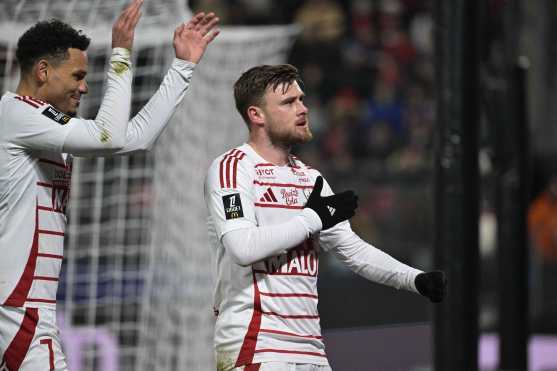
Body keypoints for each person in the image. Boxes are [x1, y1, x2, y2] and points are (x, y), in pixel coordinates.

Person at [0, 1, 219, 369]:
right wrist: (120, 54)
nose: (84, 87)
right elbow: (109, 137)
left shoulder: (39, 121)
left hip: (21, 301)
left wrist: (181, 67)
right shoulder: (20, 114)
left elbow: (133, 138)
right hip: (19, 302)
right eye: (77, 76)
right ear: (42, 71)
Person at [204, 64, 447, 371]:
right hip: (257, 346)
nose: (302, 109)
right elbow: (243, 248)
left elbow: (352, 250)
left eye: (301, 99)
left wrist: (414, 279)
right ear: (257, 115)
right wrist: (312, 218)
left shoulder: (309, 179)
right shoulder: (233, 168)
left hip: (311, 350)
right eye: (289, 102)